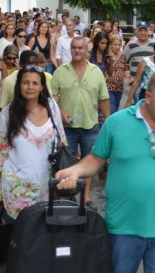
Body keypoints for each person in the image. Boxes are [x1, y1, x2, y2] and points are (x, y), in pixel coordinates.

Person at [55, 68, 155, 273]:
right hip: (122, 228)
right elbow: (96, 158)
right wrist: (75, 171)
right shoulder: (117, 123)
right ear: (148, 96)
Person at [0, 65, 66, 219]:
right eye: (25, 82)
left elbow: (61, 142)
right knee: (21, 235)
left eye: (35, 83)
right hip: (17, 188)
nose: (30, 87)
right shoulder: (8, 114)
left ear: (42, 86)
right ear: (19, 86)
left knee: (43, 236)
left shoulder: (52, 108)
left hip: (47, 186)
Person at [52, 36, 110, 210]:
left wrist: (108, 121)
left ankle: (85, 198)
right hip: (66, 128)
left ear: (87, 51)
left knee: (88, 163)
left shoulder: (96, 72)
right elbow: (52, 99)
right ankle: (67, 198)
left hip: (90, 126)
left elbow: (104, 98)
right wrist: (61, 113)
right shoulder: (60, 71)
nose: (76, 51)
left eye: (80, 48)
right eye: (74, 48)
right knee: (65, 163)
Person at [126, 39, 155, 106]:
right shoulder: (145, 62)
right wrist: (128, 101)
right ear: (154, 50)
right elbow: (137, 81)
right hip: (145, 95)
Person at [124, 21, 155, 102]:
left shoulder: (154, 44)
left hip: (151, 84)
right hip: (136, 83)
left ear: (148, 32)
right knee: (139, 105)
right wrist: (126, 71)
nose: (143, 33)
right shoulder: (130, 45)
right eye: (141, 30)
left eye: (145, 30)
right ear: (136, 32)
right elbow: (123, 60)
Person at [106, 36, 129, 114]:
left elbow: (125, 68)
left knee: (116, 109)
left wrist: (128, 77)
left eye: (119, 45)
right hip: (108, 87)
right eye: (115, 45)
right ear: (110, 45)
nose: (117, 47)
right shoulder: (107, 56)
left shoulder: (123, 56)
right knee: (112, 109)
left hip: (119, 88)